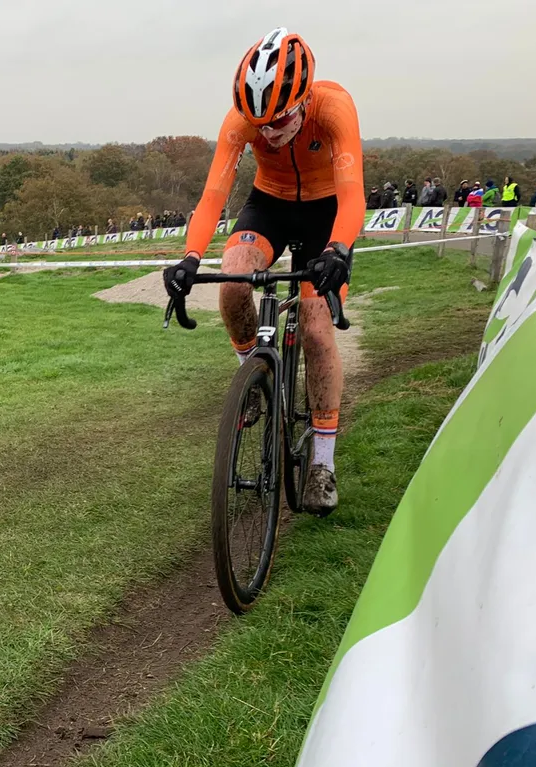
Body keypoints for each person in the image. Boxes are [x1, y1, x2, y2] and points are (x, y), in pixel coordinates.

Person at [165, 27, 362, 516]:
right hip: (270, 203)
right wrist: (190, 257)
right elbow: (214, 194)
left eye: (278, 122)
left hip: (326, 213)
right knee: (232, 282)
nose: (268, 134)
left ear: (302, 99)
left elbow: (354, 192)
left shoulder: (334, 109)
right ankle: (253, 377)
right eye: (260, 126)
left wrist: (338, 249)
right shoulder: (243, 122)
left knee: (316, 330)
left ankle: (321, 462)